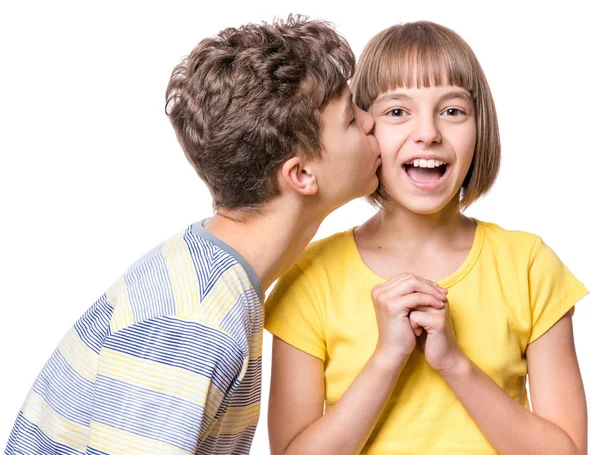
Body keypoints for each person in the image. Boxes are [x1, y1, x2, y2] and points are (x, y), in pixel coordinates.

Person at [4, 15, 380, 455]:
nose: (372, 121)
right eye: (350, 118)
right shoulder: (191, 320)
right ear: (300, 174)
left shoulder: (212, 279)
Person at [265, 20, 588, 455]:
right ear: (364, 129)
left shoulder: (529, 265)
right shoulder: (309, 276)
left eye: (452, 110)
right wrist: (386, 359)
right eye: (397, 112)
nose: (428, 133)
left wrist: (453, 363)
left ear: (481, 127)